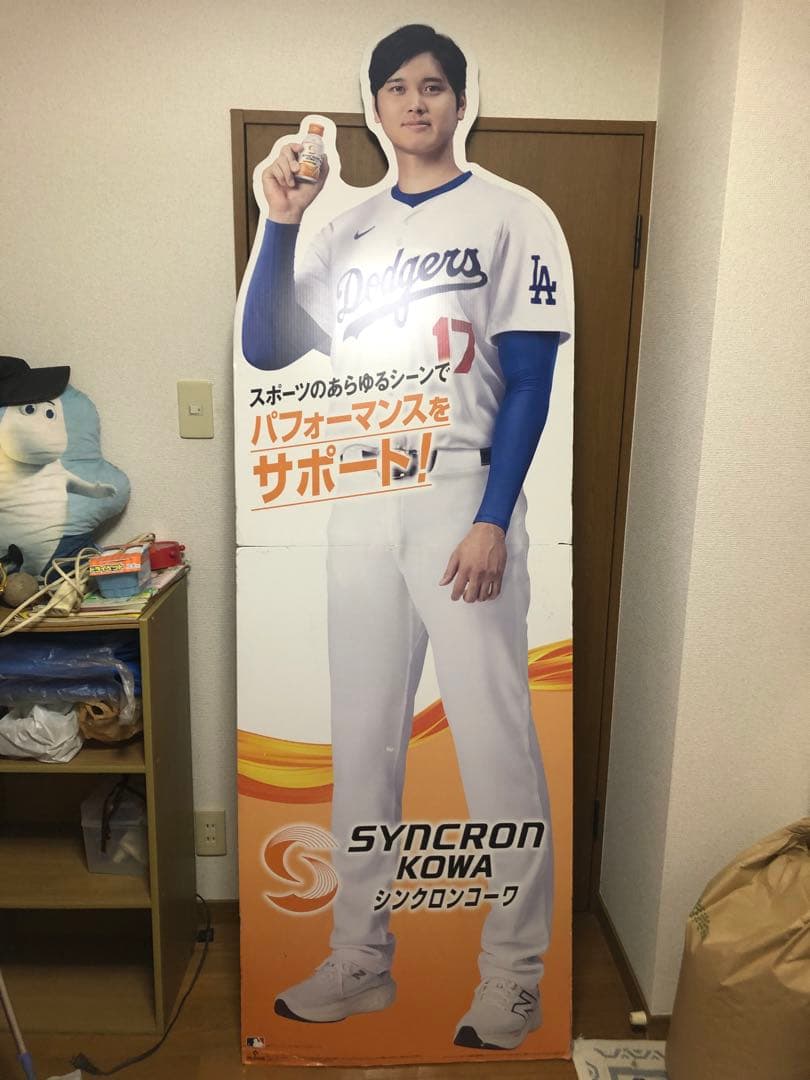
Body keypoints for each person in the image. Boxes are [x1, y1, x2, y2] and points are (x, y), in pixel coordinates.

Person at [241, 23, 572, 1051]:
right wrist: (281, 223)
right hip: (361, 490)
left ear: (461, 101)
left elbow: (530, 381)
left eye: (433, 86)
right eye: (396, 87)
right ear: (374, 106)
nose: (415, 103)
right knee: (364, 741)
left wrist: (491, 518)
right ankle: (358, 958)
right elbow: (267, 345)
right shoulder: (344, 227)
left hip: (461, 491)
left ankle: (514, 976)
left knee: (495, 742)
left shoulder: (515, 213)